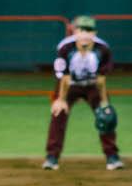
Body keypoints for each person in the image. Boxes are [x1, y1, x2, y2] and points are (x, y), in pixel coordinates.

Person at [43, 15, 124, 171]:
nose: (85, 34)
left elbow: (100, 80)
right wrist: (61, 100)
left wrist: (104, 103)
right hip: (69, 85)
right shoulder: (65, 48)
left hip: (93, 86)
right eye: (81, 30)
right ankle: (52, 157)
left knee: (106, 116)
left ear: (95, 33)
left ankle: (112, 156)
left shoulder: (103, 50)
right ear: (75, 32)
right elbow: (65, 78)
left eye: (89, 30)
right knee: (58, 113)